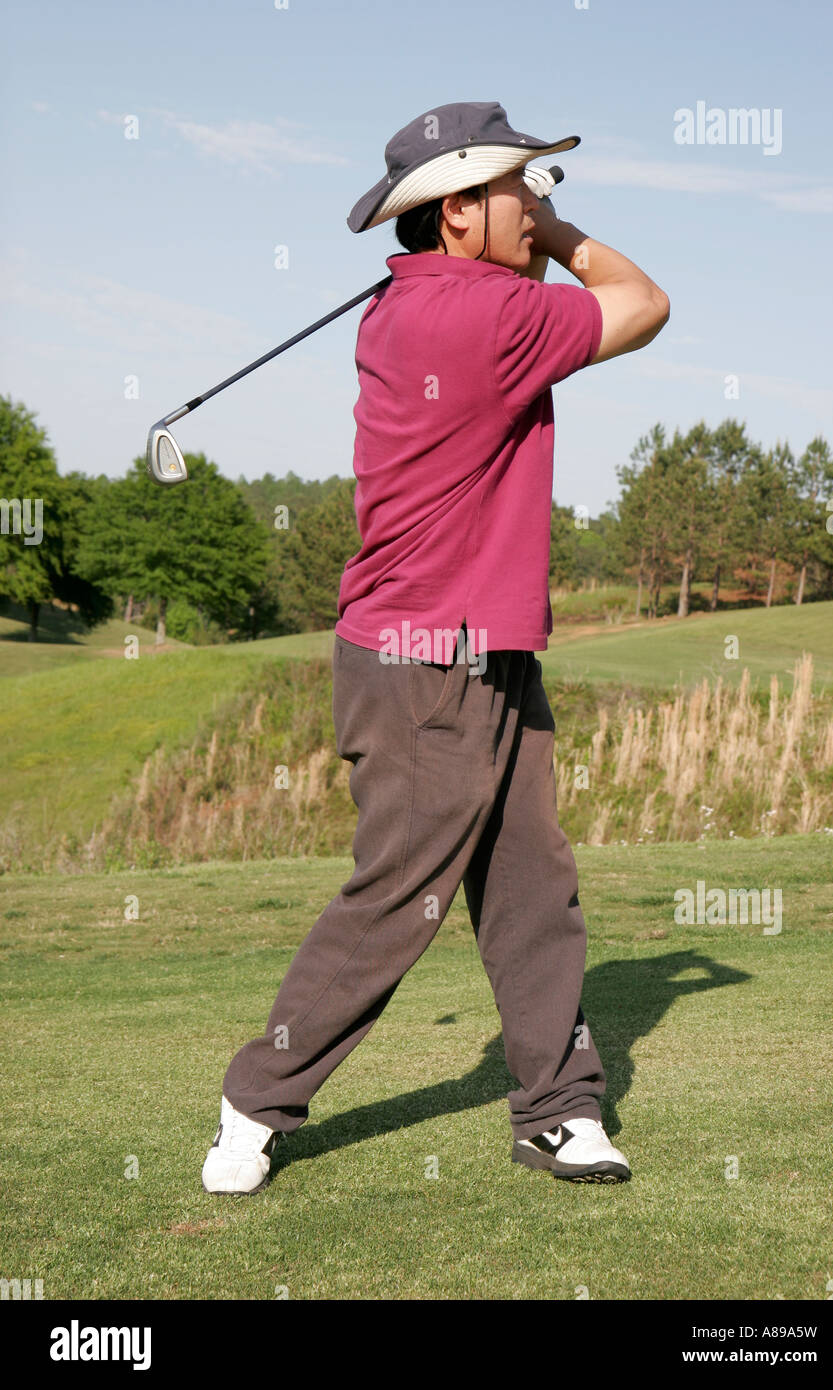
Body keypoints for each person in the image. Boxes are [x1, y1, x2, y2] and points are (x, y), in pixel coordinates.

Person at [202, 101, 669, 1194]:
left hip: (476, 645)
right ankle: (254, 1103)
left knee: (530, 884)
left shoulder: (414, 306)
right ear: (456, 209)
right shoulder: (485, 316)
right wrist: (561, 233)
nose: (533, 206)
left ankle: (556, 1109)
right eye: (516, 188)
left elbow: (523, 294)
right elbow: (642, 303)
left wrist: (520, 229)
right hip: (429, 658)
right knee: (398, 895)